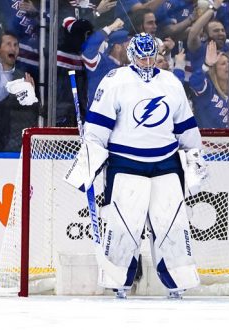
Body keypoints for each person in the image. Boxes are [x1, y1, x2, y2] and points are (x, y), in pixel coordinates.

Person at [67, 33, 203, 299]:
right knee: (123, 226)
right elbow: (96, 129)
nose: (147, 61)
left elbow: (186, 127)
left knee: (172, 224)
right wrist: (89, 162)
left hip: (166, 163)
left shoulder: (170, 82)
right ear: (131, 55)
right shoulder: (115, 81)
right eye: (141, 56)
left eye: (151, 55)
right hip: (125, 163)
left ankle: (178, 281)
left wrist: (194, 158)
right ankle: (119, 282)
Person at [0, 30, 39, 151]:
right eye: (8, 44)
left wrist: (30, 97)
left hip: (0, 137)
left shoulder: (22, 79)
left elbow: (26, 115)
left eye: (16, 45)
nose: (13, 48)